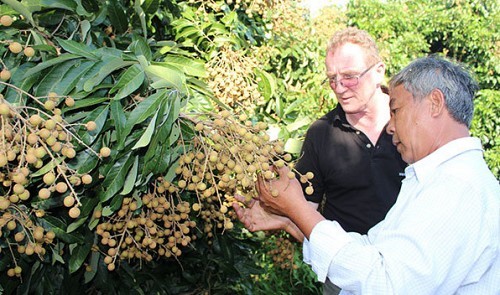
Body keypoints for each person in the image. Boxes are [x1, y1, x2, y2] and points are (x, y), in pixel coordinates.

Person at [235, 56, 500, 294]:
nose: (391, 127)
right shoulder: (435, 180)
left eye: (395, 111)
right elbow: (369, 252)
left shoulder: (456, 187)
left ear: (435, 103)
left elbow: (386, 285)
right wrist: (290, 220)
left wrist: (296, 206)